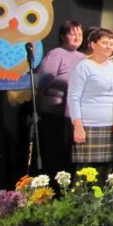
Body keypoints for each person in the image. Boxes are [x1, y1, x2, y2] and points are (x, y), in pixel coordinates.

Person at [67, 28, 113, 176]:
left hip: (109, 127)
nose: (109, 46)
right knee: (85, 175)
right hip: (88, 126)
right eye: (104, 43)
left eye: (111, 43)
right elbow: (73, 97)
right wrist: (78, 126)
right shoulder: (83, 66)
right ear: (93, 44)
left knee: (105, 173)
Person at [37, 20, 85, 176]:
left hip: (73, 116)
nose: (77, 37)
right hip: (53, 114)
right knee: (52, 155)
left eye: (80, 34)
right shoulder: (56, 54)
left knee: (67, 158)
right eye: (72, 34)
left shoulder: (84, 58)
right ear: (63, 36)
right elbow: (42, 83)